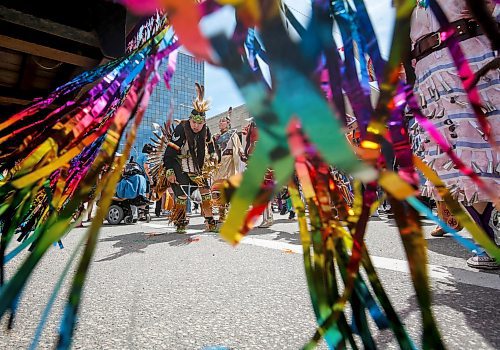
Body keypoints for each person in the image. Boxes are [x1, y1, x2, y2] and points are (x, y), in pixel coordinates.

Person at [410, 1, 499, 269]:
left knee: (487, 149)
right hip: (431, 80)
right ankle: (488, 243)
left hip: (470, 62)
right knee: (453, 163)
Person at [163, 83, 218, 233]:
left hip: (198, 166)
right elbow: (169, 153)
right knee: (181, 195)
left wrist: (213, 156)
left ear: (204, 122)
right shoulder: (182, 128)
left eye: (199, 123)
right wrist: (169, 170)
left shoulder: (206, 131)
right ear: (190, 119)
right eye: (193, 122)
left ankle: (210, 221)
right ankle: (180, 222)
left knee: (206, 192)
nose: (195, 126)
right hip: (178, 164)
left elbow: (211, 145)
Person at [212, 107, 245, 222]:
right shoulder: (216, 137)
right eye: (219, 122)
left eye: (223, 121)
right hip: (221, 162)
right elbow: (214, 150)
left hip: (232, 162)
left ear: (228, 123)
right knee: (219, 188)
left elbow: (239, 146)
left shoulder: (233, 134)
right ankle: (222, 215)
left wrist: (242, 153)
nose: (221, 123)